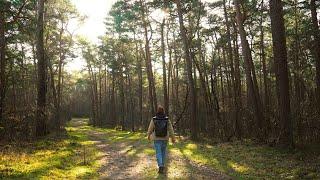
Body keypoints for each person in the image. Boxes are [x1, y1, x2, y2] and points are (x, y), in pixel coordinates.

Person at [147, 106, 176, 174]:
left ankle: (160, 166)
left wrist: (148, 135)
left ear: (157, 111)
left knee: (158, 152)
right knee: (163, 152)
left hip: (157, 138)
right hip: (165, 138)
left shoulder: (154, 119)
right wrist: (173, 137)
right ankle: (162, 165)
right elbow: (171, 129)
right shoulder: (167, 119)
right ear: (163, 111)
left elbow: (150, 128)